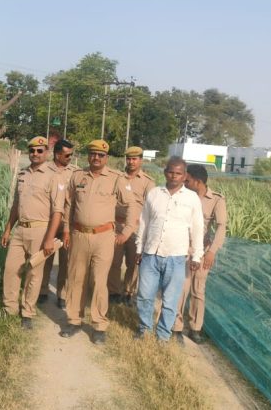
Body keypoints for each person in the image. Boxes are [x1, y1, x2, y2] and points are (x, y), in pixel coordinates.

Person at [60, 140, 135, 345]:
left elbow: (132, 205)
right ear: (88, 155)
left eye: (101, 155)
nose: (96, 158)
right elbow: (69, 204)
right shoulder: (78, 176)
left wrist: (127, 231)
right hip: (79, 234)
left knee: (99, 281)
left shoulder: (116, 178)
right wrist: (66, 229)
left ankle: (99, 325)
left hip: (103, 237)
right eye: (93, 154)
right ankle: (74, 320)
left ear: (106, 157)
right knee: (76, 278)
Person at [134, 156, 204, 343]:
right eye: (171, 172)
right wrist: (139, 247)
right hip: (151, 254)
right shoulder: (154, 194)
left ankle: (163, 336)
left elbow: (198, 228)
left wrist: (197, 256)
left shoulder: (191, 199)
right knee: (144, 295)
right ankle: (144, 329)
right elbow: (144, 222)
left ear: (184, 176)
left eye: (178, 173)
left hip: (176, 257)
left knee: (171, 300)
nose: (174, 176)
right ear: (165, 172)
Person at [1, 136, 65, 329]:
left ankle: (27, 313)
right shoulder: (23, 174)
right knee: (11, 269)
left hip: (40, 229)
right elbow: (16, 205)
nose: (35, 154)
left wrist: (49, 238)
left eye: (39, 150)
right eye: (32, 150)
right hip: (20, 229)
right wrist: (7, 229)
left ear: (47, 152)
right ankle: (9, 309)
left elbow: (58, 212)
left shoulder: (54, 176)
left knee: (33, 274)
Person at [173, 164, 227, 344]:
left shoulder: (216, 200)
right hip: (183, 248)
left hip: (203, 251)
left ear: (197, 181)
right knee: (181, 288)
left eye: (187, 180)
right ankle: (176, 327)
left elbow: (221, 227)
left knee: (198, 290)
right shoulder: (183, 196)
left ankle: (195, 328)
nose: (184, 182)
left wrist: (212, 252)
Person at [107, 146, 155, 306]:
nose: (131, 162)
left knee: (133, 262)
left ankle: (128, 291)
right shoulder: (117, 177)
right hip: (116, 224)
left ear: (141, 160)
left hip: (136, 227)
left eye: (134, 159)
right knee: (114, 261)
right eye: (129, 158)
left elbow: (151, 207)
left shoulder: (148, 182)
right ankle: (113, 291)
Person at [38, 139, 78, 309]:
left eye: (71, 155)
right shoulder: (45, 170)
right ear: (57, 154)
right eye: (67, 155)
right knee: (45, 258)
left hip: (67, 223)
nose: (70, 158)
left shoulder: (75, 172)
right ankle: (42, 291)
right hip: (48, 223)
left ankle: (62, 294)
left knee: (65, 261)